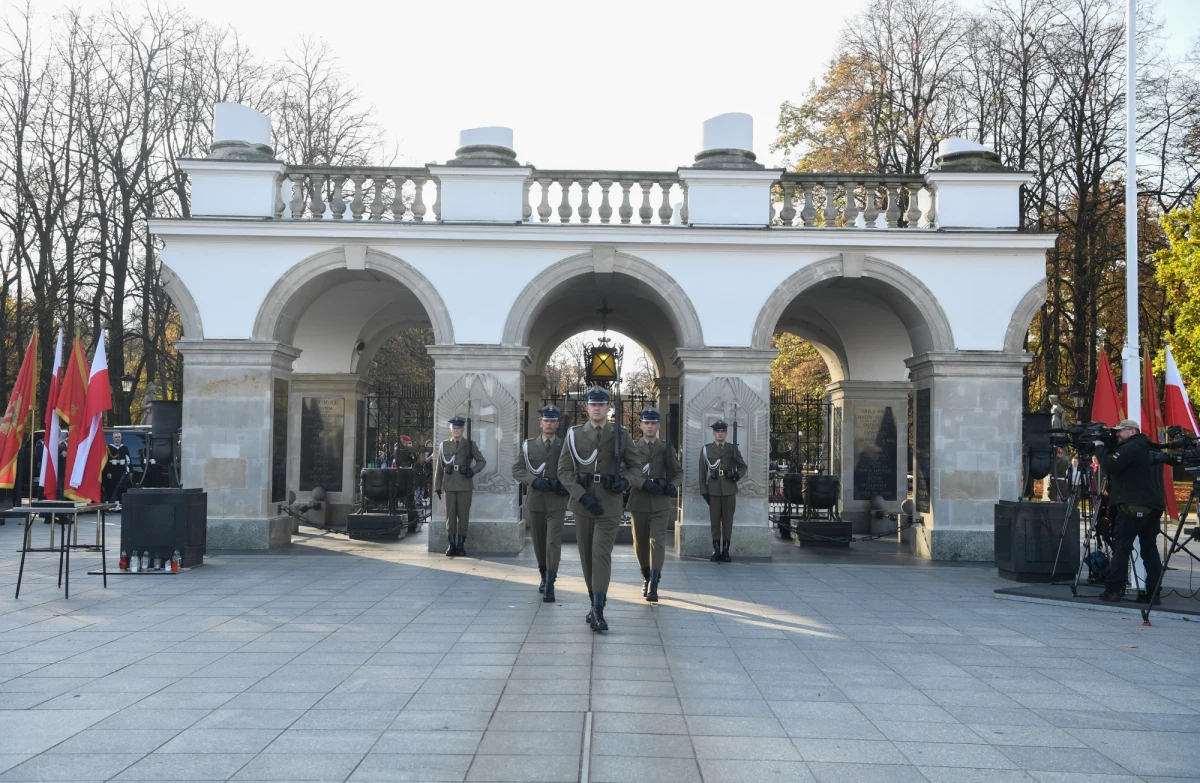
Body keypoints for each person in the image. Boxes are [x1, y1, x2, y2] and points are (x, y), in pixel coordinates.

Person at [558, 387, 641, 632]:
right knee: (586, 556)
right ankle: (593, 599)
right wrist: (581, 496)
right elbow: (563, 471)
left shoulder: (620, 434)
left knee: (600, 553)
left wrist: (625, 482)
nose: (597, 408)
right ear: (587, 407)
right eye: (593, 404)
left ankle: (598, 610)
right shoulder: (574, 435)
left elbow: (635, 467)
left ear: (608, 408)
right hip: (583, 503)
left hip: (609, 502)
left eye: (601, 404)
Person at [1094, 419, 1166, 604]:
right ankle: (1153, 593)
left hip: (1132, 505)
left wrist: (1100, 448)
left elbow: (1110, 466)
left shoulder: (1130, 448)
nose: (1117, 434)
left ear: (1132, 431)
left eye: (1121, 431)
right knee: (1149, 548)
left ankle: (1113, 590)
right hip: (1154, 505)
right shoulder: (1152, 448)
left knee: (1122, 546)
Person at [623, 408, 680, 602]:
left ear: (658, 426)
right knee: (640, 544)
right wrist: (642, 483)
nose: (650, 426)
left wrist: (672, 486)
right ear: (641, 425)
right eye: (646, 423)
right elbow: (625, 471)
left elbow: (678, 472)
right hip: (639, 501)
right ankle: (646, 577)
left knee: (657, 542)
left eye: (653, 423)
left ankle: (654, 583)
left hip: (660, 502)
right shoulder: (632, 447)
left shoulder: (666, 448)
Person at [512, 407, 568, 602]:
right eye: (546, 421)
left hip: (557, 500)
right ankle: (544, 575)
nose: (549, 424)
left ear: (557, 424)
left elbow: (573, 470)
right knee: (539, 542)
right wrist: (533, 480)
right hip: (536, 500)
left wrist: (561, 484)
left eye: (553, 421)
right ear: (540, 423)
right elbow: (517, 470)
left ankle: (551, 582)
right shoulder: (529, 446)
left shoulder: (565, 445)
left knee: (553, 541)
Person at [433, 414, 486, 557]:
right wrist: (437, 486)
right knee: (450, 516)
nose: (456, 430)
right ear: (450, 429)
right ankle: (451, 544)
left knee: (463, 516)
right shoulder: (444, 445)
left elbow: (482, 462)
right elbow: (439, 466)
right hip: (449, 484)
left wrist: (472, 471)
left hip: (464, 484)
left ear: (463, 429)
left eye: (459, 428)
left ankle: (461, 544)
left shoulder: (469, 444)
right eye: (454, 427)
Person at [699, 420, 747, 562]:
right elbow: (702, 472)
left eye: (722, 431)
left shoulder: (732, 448)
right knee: (715, 522)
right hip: (713, 489)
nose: (720, 434)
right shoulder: (706, 449)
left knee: (727, 521)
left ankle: (725, 550)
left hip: (729, 488)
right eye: (717, 431)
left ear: (726, 433)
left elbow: (743, 467)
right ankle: (716, 550)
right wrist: (704, 491)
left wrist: (737, 475)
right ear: (714, 433)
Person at [105, 432, 133, 509]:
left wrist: (130, 471)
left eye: (119, 437)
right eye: (116, 437)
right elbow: (106, 461)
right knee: (111, 488)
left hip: (122, 470)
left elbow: (129, 460)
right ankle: (109, 506)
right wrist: (108, 472)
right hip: (112, 470)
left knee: (121, 488)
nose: (117, 439)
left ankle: (118, 506)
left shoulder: (124, 448)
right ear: (113, 438)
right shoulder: (108, 448)